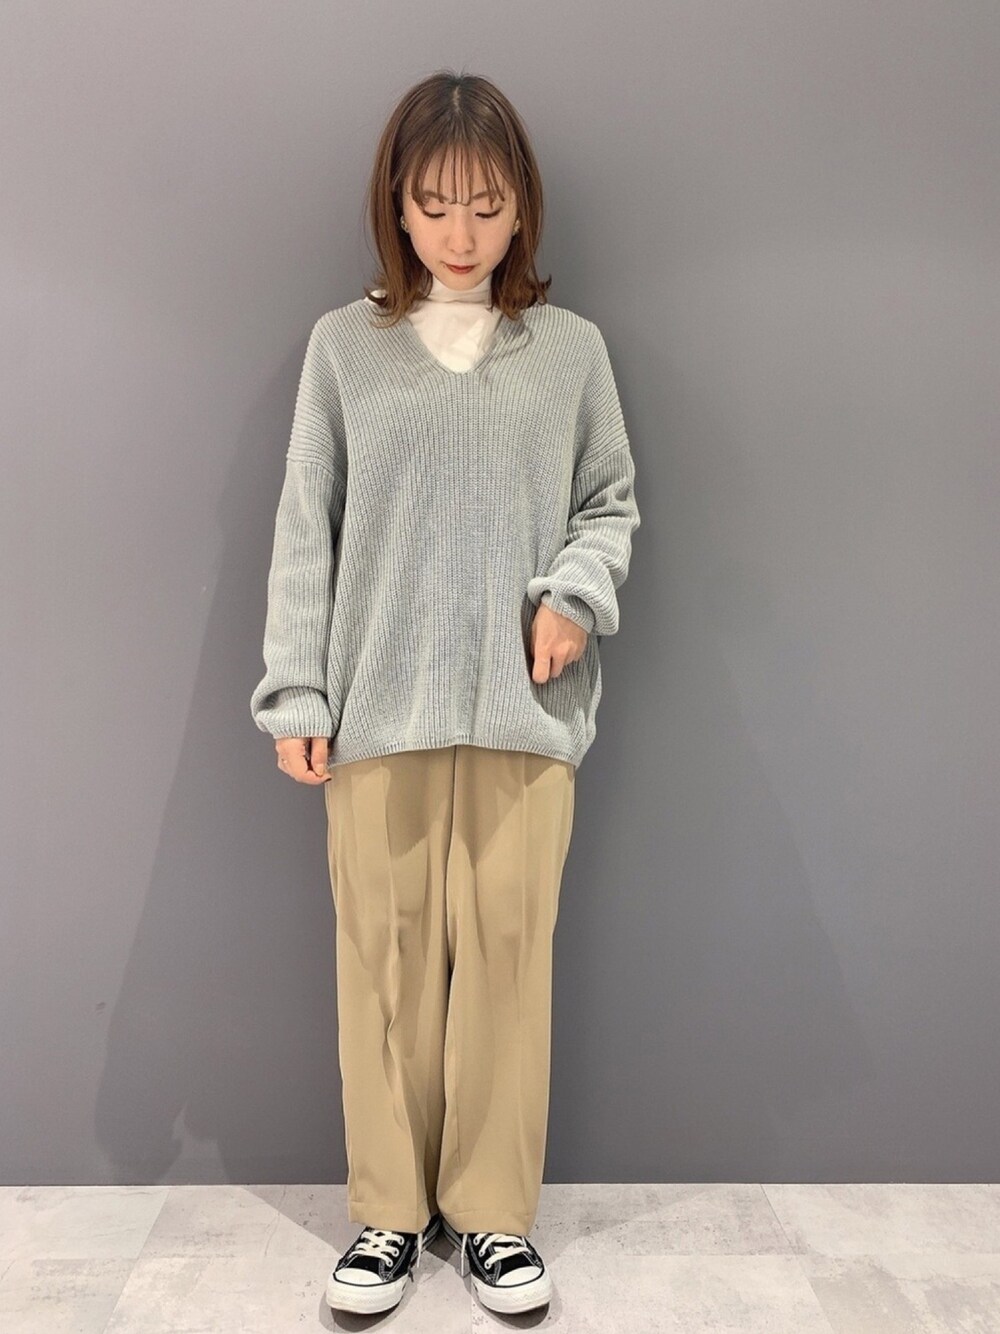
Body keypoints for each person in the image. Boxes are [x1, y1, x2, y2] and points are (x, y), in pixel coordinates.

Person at [249, 69, 640, 1319]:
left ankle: (492, 1217)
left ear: (521, 205)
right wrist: (296, 691)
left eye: (484, 204)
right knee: (383, 968)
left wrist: (572, 596)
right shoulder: (344, 348)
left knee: (508, 967)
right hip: (376, 714)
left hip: (525, 717)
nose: (460, 233)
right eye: (433, 205)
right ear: (396, 207)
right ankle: (387, 1213)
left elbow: (609, 502)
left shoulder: (569, 351)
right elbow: (304, 528)